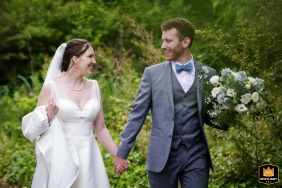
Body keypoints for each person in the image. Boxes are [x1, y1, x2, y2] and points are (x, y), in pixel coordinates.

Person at [114, 18, 227, 187]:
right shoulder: (152, 74)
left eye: (168, 41)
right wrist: (122, 153)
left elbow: (212, 114)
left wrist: (234, 110)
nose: (163, 46)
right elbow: (137, 115)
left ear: (185, 41)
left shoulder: (208, 74)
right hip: (162, 157)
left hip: (196, 155)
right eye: (162, 41)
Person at [22, 38, 121, 188]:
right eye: (90, 56)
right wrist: (49, 116)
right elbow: (32, 131)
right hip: (62, 156)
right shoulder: (51, 87)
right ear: (75, 59)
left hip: (89, 156)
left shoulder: (94, 86)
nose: (94, 61)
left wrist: (118, 155)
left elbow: (100, 128)